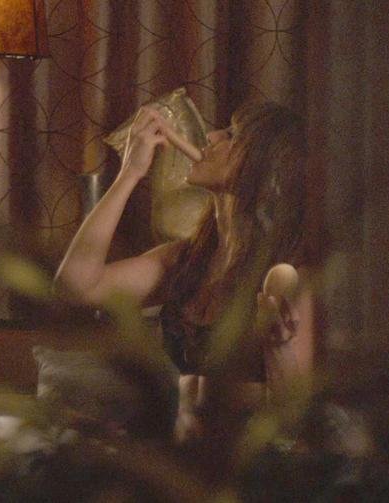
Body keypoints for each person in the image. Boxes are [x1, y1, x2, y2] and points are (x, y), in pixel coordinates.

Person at [53, 101, 315, 449]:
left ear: (263, 169)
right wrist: (129, 173)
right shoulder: (185, 260)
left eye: (232, 136)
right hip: (183, 460)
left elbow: (292, 421)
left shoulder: (291, 276)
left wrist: (278, 346)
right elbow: (75, 287)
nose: (213, 136)